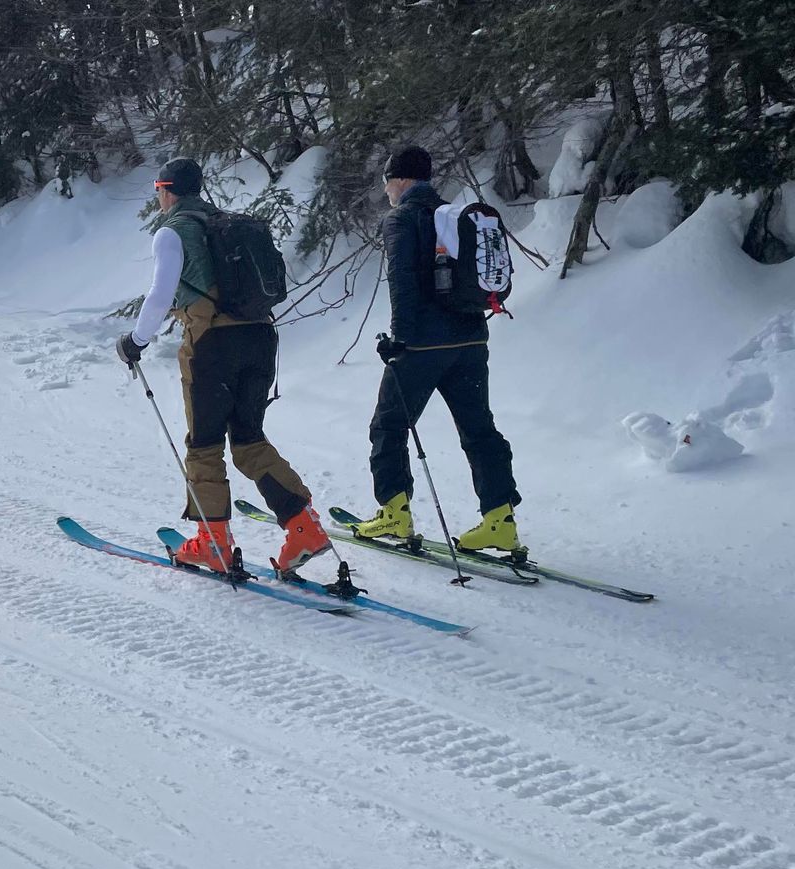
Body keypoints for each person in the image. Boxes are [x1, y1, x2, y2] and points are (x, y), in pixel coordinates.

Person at [115, 157, 331, 575]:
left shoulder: (172, 232)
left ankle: (212, 544)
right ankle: (305, 527)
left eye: (158, 188)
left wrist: (135, 341)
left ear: (167, 189)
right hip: (260, 339)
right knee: (249, 439)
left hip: (212, 345)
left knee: (205, 445)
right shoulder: (230, 225)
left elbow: (161, 297)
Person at [355, 146, 523, 552]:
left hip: (423, 345)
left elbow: (402, 282)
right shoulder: (451, 216)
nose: (386, 189)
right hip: (470, 338)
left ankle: (395, 514)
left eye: (386, 180)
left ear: (401, 180)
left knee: (390, 425)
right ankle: (500, 520)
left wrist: (400, 339)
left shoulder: (401, 219)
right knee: (479, 428)